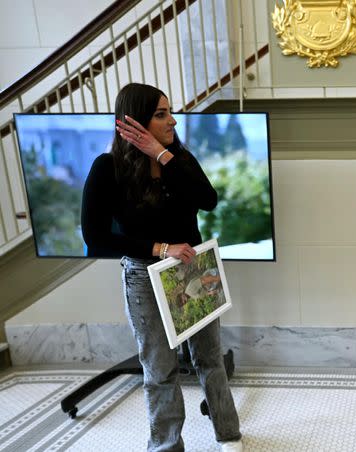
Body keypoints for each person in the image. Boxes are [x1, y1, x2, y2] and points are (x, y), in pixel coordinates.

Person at [81, 83, 243, 452]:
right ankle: (166, 447)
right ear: (134, 121)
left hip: (193, 270)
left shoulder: (178, 158)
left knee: (210, 361)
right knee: (159, 369)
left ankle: (228, 435)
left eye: (170, 112)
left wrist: (161, 153)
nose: (172, 121)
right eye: (160, 114)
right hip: (144, 277)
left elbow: (209, 200)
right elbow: (95, 236)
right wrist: (159, 248)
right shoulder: (107, 168)